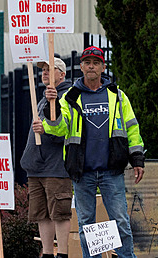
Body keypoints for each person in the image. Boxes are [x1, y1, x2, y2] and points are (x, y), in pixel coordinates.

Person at [34, 46, 145, 258]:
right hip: (82, 172)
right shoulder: (69, 97)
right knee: (86, 225)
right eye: (87, 62)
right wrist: (52, 106)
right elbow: (58, 129)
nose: (91, 66)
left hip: (111, 171)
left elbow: (132, 128)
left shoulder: (117, 96)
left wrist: (137, 158)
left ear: (103, 67)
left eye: (96, 62)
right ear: (81, 66)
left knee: (120, 221)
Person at [21, 58, 72, 258]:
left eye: (51, 69)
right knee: (41, 213)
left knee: (59, 212)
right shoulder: (43, 97)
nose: (45, 73)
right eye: (43, 70)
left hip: (56, 167)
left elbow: (65, 131)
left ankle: (63, 254)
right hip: (37, 167)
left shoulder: (67, 97)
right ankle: (48, 253)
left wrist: (48, 130)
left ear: (62, 74)